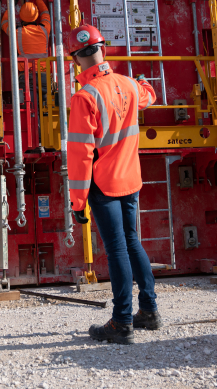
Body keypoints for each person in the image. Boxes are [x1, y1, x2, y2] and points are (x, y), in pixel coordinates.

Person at [65, 22, 162, 345]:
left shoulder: (84, 97)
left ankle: (121, 321)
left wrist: (77, 202)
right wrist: (144, 81)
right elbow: (150, 94)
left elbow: (81, 155)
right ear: (101, 49)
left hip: (103, 185)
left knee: (117, 247)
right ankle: (148, 310)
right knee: (132, 242)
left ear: (76, 59)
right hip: (131, 179)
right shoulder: (130, 86)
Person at [1, 0, 51, 108]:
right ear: (36, 16)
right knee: (46, 111)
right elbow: (45, 12)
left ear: (21, 18)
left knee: (30, 111)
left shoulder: (17, 33)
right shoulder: (45, 29)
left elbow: (4, 22)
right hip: (44, 76)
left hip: (27, 77)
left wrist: (13, 1)